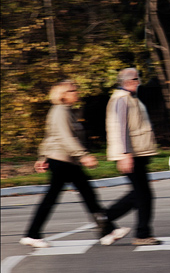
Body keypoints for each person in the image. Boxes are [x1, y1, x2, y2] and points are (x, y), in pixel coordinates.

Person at [20, 80, 122, 248]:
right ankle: (32, 234)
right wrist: (83, 155)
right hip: (63, 161)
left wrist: (42, 156)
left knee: (85, 196)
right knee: (80, 196)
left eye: (76, 89)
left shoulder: (65, 111)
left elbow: (50, 136)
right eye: (72, 90)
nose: (76, 93)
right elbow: (66, 137)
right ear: (63, 95)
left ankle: (107, 231)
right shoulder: (61, 111)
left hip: (64, 160)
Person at [101, 68, 161, 246]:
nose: (139, 82)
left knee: (140, 195)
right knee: (143, 195)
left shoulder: (129, 98)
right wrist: (125, 154)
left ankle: (105, 217)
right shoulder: (121, 100)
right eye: (136, 79)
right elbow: (121, 129)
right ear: (128, 81)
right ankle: (142, 234)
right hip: (131, 154)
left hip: (138, 153)